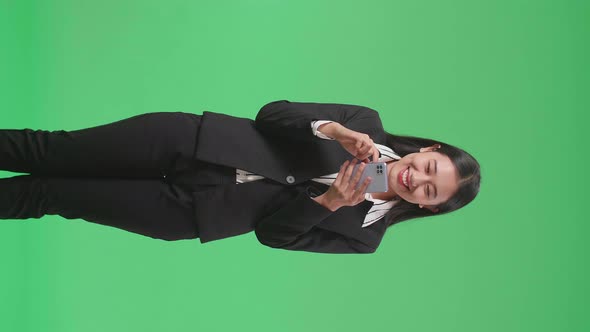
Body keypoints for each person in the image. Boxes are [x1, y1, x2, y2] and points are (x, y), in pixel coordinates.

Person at [0, 100, 481, 254]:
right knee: (48, 149)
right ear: (427, 150)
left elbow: (272, 236)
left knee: (48, 195)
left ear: (426, 207)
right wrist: (334, 129)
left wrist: (329, 202)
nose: (418, 179)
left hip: (193, 211)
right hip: (193, 142)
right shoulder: (365, 123)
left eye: (430, 191)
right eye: (430, 168)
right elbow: (272, 114)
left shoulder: (364, 236)